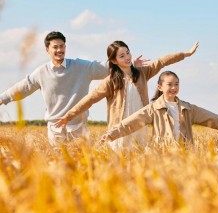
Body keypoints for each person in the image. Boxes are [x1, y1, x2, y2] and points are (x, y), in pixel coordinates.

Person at [0, 31, 146, 145]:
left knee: (82, 167)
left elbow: (107, 67)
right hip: (55, 128)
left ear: (65, 47)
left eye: (62, 46)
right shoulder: (41, 72)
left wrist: (130, 64)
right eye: (55, 47)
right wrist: (2, 98)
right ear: (47, 50)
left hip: (78, 128)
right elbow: (24, 86)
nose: (59, 50)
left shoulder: (81, 67)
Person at [54, 41, 199, 151]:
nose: (127, 57)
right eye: (122, 56)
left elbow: (161, 61)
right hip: (119, 130)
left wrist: (186, 54)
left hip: (139, 127)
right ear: (114, 61)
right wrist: (69, 116)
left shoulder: (142, 73)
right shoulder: (111, 81)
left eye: (128, 53)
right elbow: (91, 99)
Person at [100, 71, 218, 148]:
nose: (174, 88)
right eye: (169, 84)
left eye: (176, 84)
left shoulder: (188, 109)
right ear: (160, 87)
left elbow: (211, 118)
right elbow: (131, 122)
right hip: (161, 156)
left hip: (185, 155)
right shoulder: (153, 109)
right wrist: (111, 135)